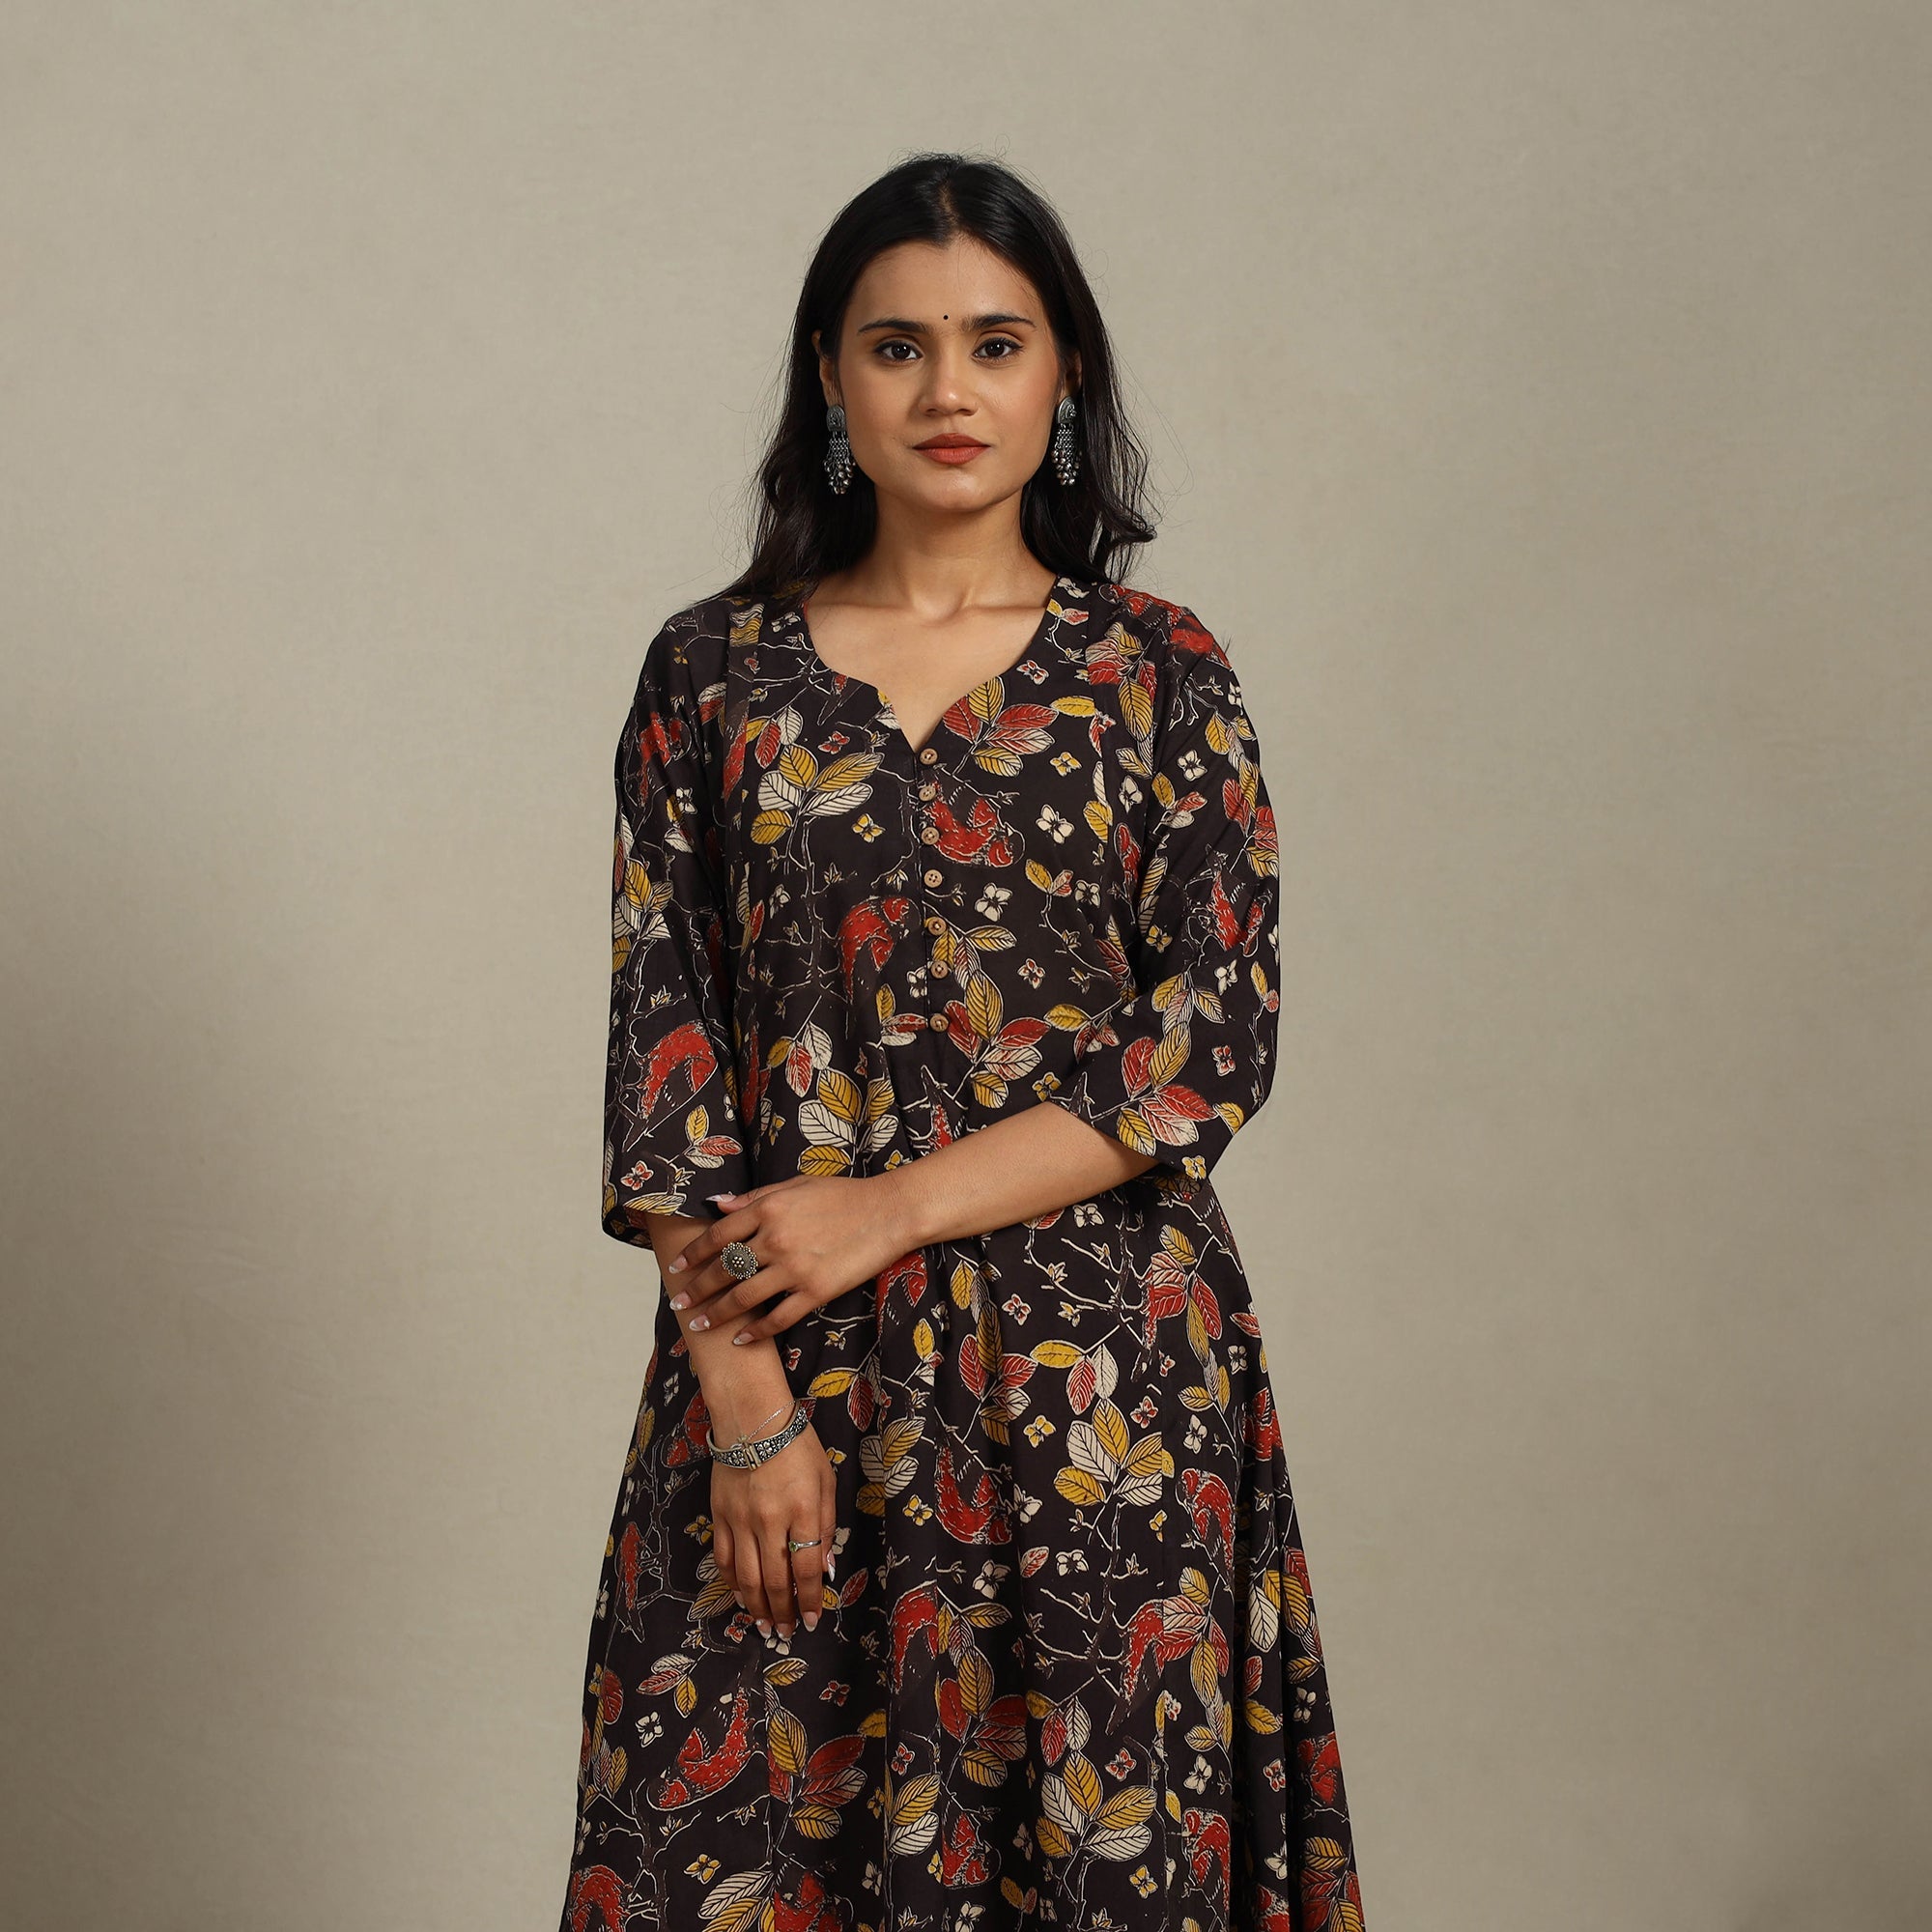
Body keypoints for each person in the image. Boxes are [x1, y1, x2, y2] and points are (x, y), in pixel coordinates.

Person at [561, 153, 1367, 1932]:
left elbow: (1205, 1047)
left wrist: (889, 1208)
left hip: (1103, 1396)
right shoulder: (711, 678)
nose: (949, 390)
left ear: (1062, 374)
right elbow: (667, 1059)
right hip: (788, 1377)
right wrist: (744, 1407)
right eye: (898, 345)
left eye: (996, 344)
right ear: (829, 379)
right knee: (726, 1854)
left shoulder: (1157, 673)